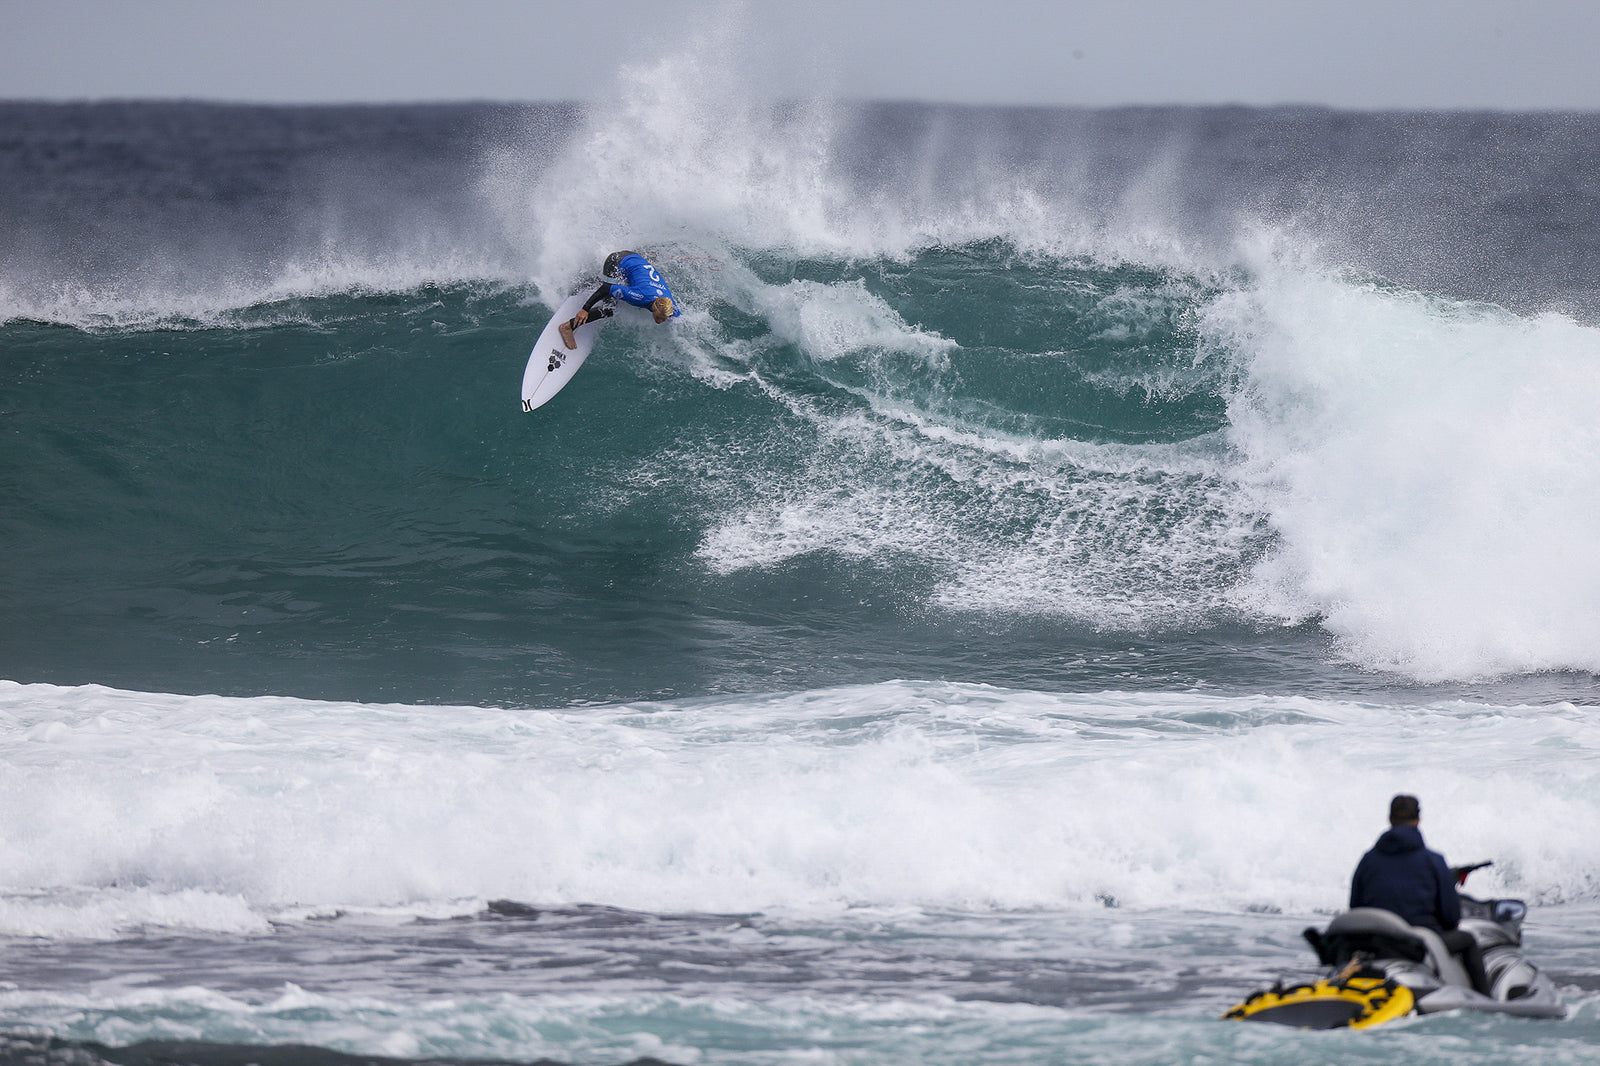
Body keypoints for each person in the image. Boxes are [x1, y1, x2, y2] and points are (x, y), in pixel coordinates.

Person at [1350, 794, 1490, 993]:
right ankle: (1486, 1000)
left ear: (1390, 819)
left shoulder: (1367, 860)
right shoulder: (1434, 860)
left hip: (1378, 944)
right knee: (1468, 940)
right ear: (1418, 820)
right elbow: (1451, 918)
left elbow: (1355, 909)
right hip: (1420, 944)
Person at [558, 250, 681, 349]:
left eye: (664, 319)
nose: (660, 321)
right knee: (609, 308)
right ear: (654, 308)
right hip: (615, 261)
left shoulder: (670, 307)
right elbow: (606, 288)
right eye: (659, 317)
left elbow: (677, 317)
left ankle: (597, 279)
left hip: (634, 257)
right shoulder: (640, 297)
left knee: (620, 287)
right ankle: (568, 326)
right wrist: (585, 309)